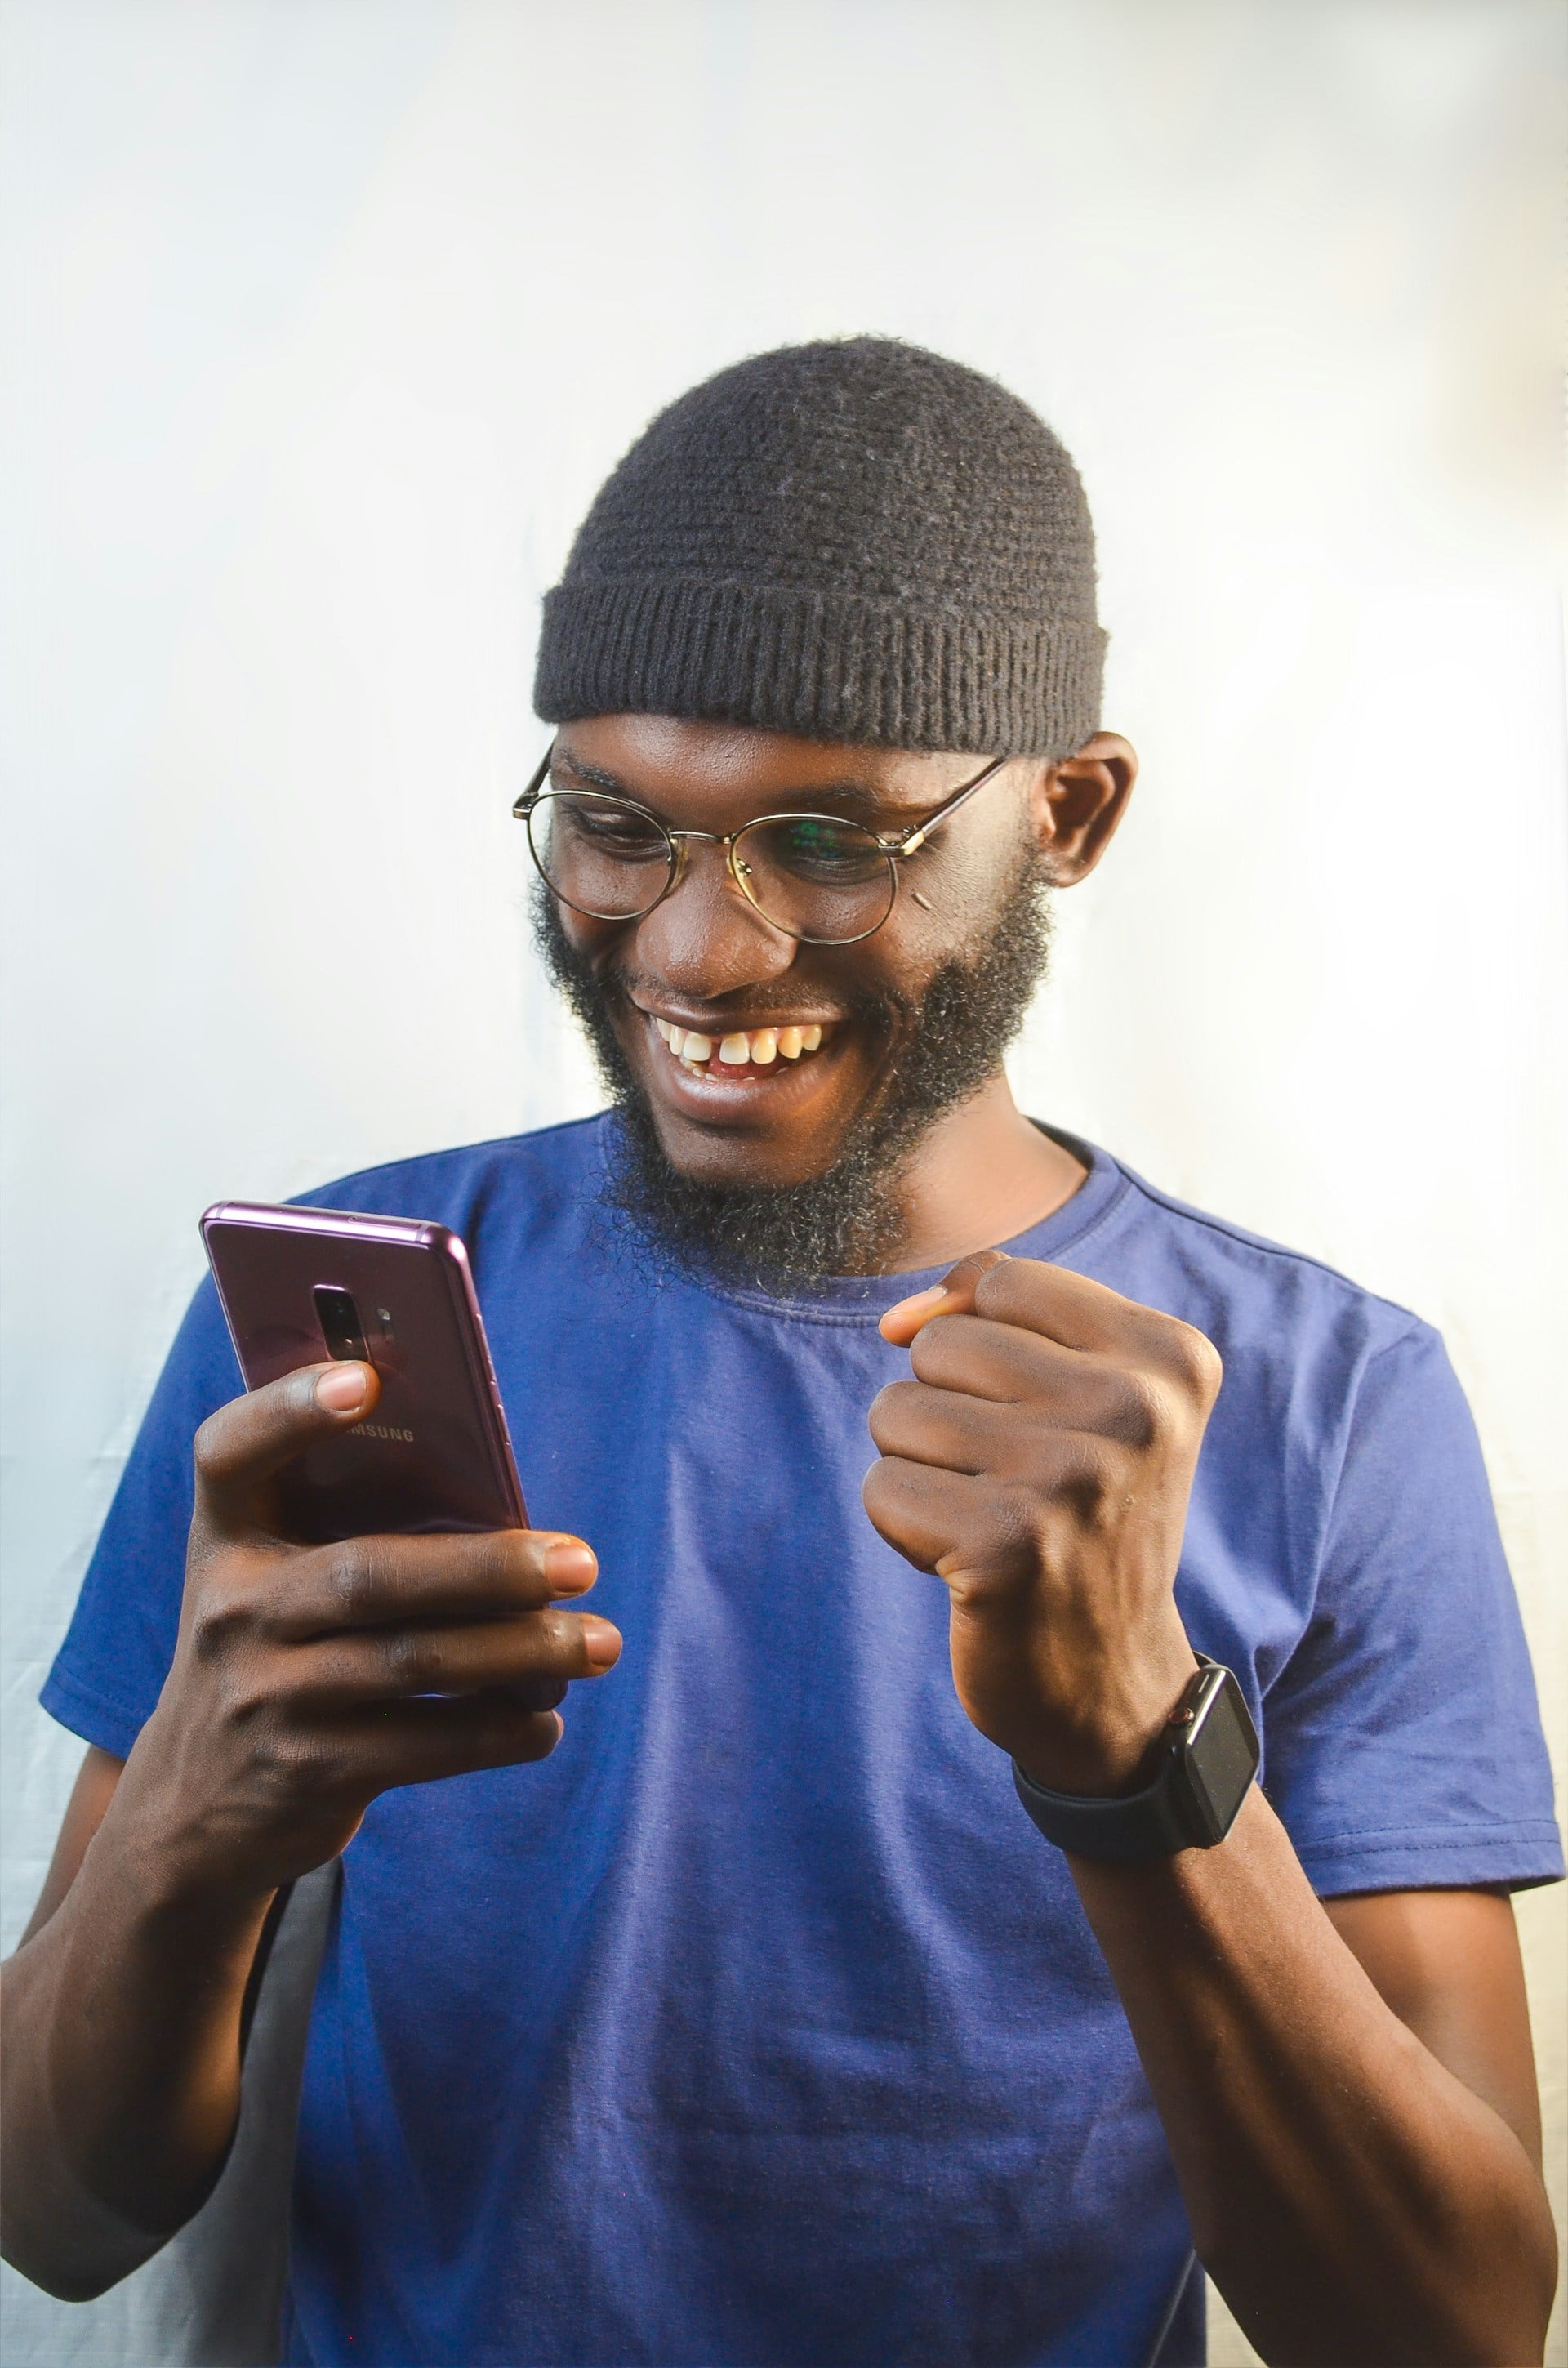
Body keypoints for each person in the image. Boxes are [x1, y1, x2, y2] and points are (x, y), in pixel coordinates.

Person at [2, 338, 1559, 2368]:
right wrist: (203, 1820)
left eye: (835, 840)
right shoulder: (345, 1318)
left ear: (1068, 813)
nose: (696, 949)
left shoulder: (1331, 1400)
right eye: (616, 822)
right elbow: (49, 2217)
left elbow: (1446, 2334)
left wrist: (1138, 1751)